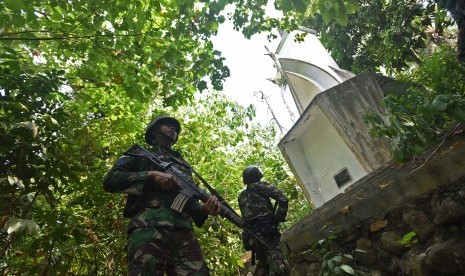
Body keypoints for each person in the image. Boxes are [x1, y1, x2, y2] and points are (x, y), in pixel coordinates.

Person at [103, 115, 221, 276]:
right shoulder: (138, 154)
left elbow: (190, 202)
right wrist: (151, 175)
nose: (173, 129)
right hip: (149, 226)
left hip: (184, 232)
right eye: (167, 125)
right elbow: (111, 180)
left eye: (176, 128)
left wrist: (204, 210)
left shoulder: (183, 164)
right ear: (154, 130)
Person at [238, 166, 290, 276]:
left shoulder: (241, 196)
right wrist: (279, 217)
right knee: (280, 266)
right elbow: (283, 199)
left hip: (252, 238)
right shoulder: (260, 186)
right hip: (267, 234)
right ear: (258, 176)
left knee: (267, 265)